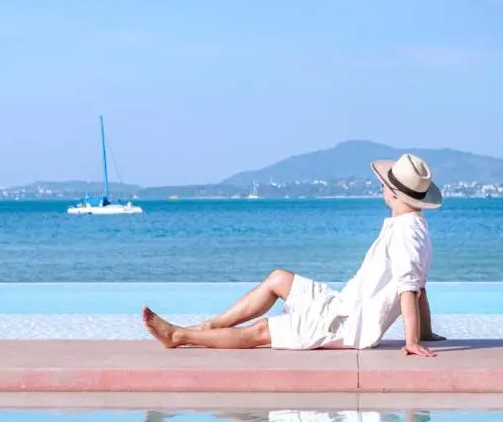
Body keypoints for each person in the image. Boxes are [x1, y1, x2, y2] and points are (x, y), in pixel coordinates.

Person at [141, 153, 443, 357]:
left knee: (261, 332)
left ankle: (179, 336)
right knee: (278, 279)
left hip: (347, 326)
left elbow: (409, 289)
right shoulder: (409, 225)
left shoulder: (407, 234)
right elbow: (420, 288)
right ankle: (210, 327)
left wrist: (413, 341)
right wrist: (427, 332)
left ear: (392, 193)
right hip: (341, 305)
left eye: (383, 185)